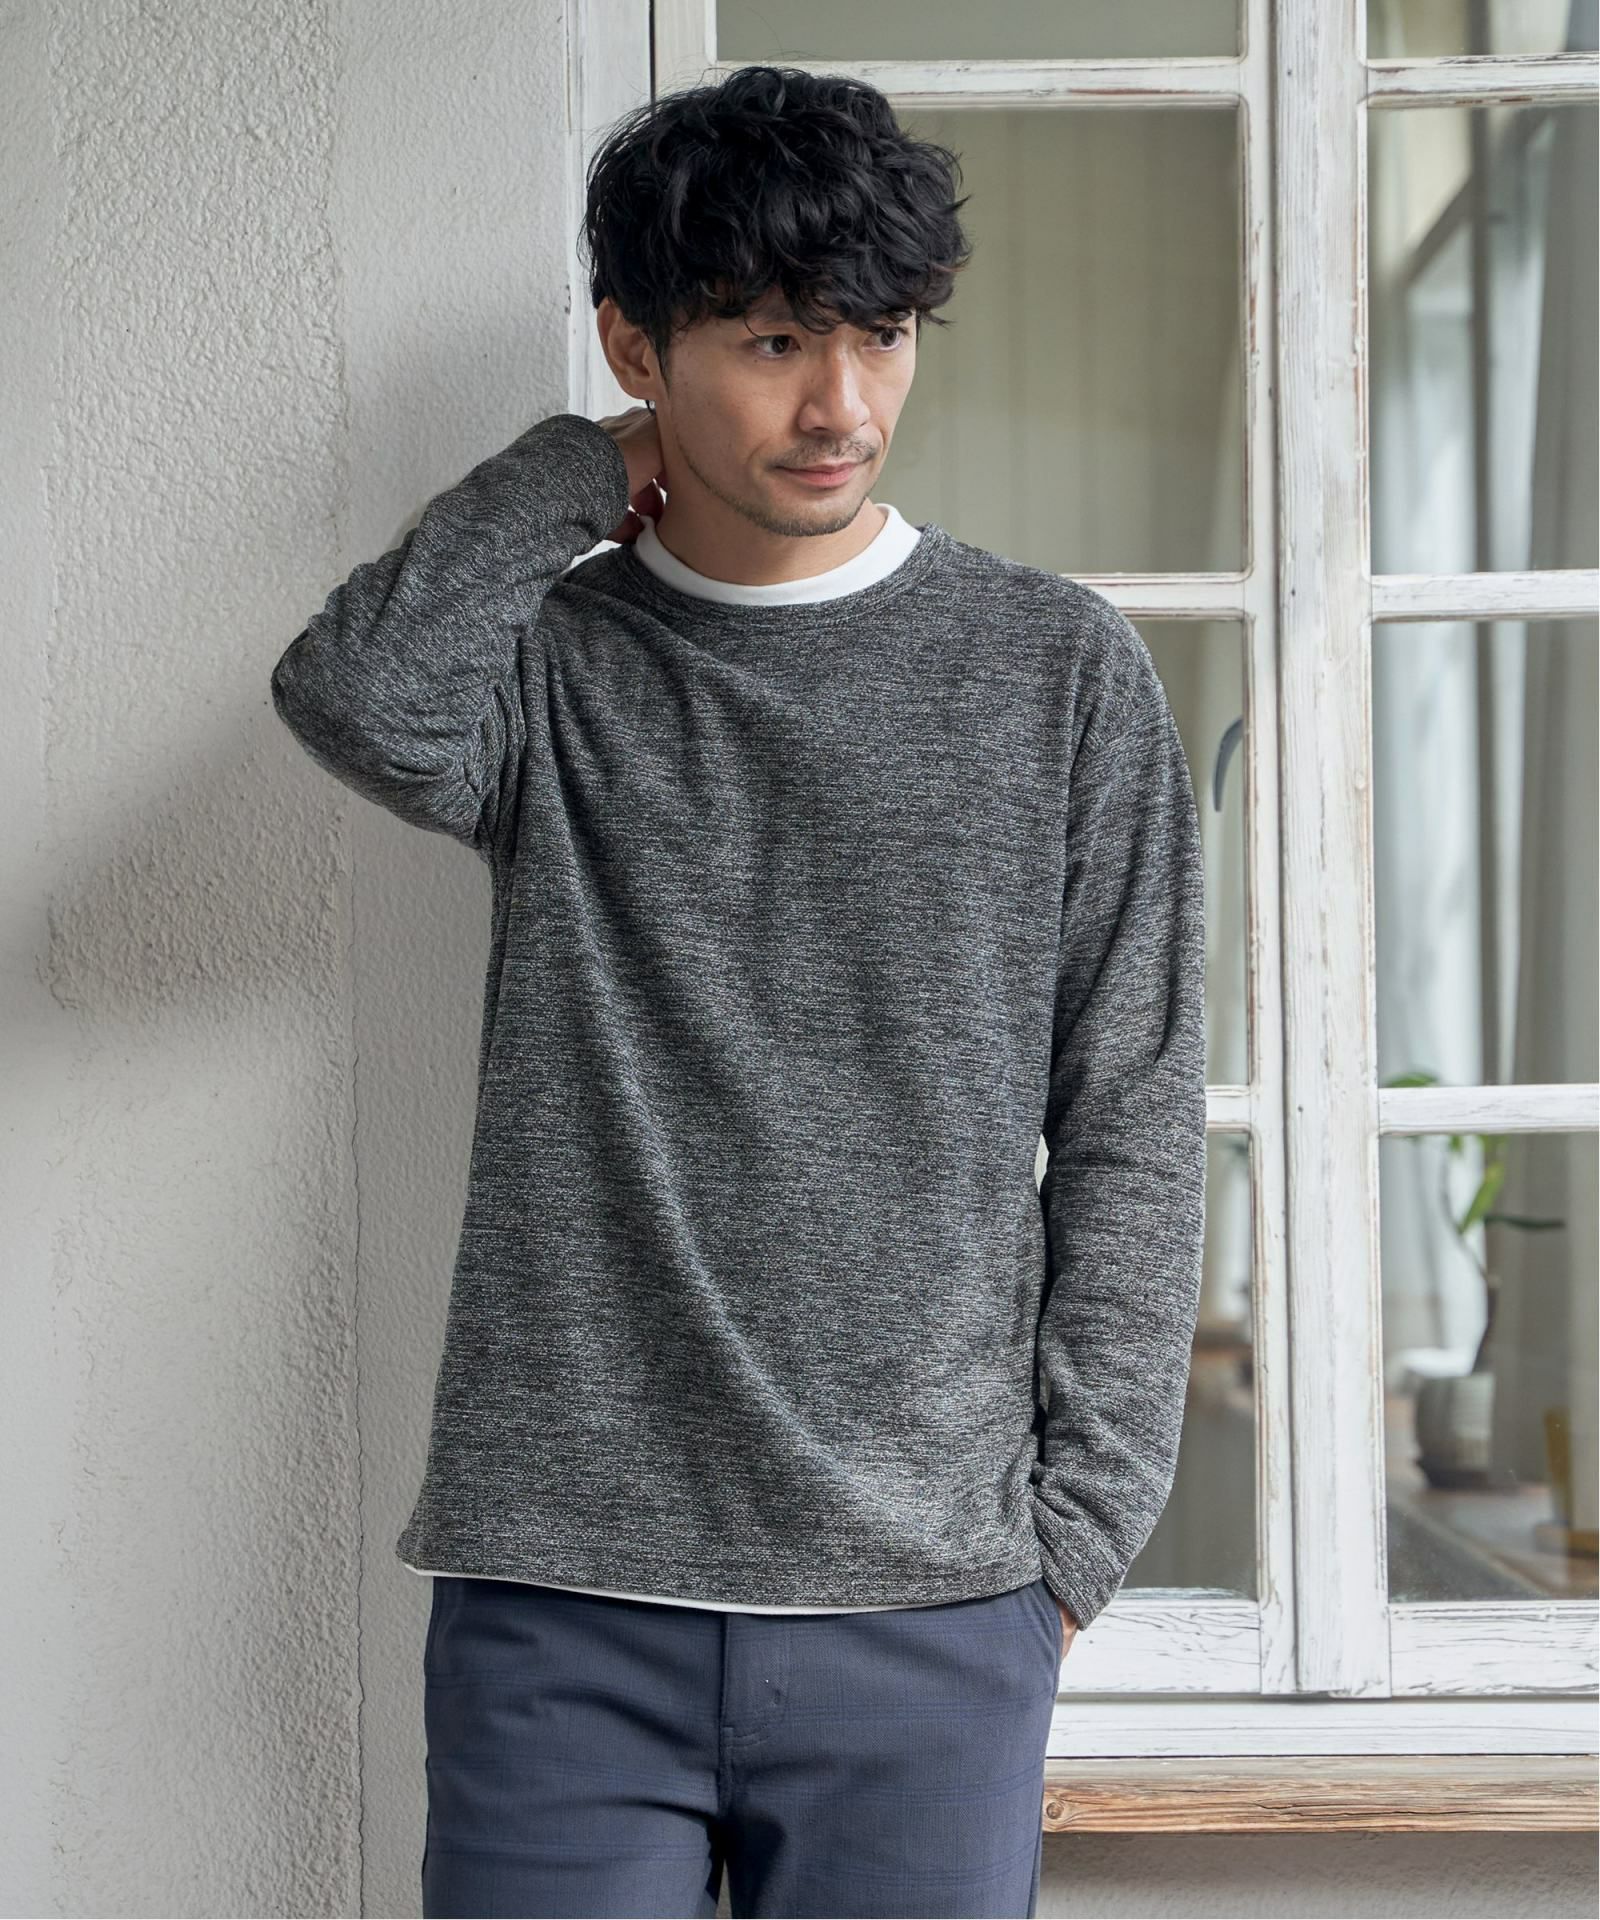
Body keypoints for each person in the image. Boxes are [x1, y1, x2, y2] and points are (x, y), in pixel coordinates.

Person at [270, 62, 1206, 1920]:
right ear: (640, 343)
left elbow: (1134, 1115)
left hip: (933, 1610)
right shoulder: (553, 669)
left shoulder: (1057, 672)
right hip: (561, 1603)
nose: (841, 404)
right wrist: (570, 471)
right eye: (775, 341)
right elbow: (358, 698)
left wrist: (1076, 1544)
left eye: (882, 336)